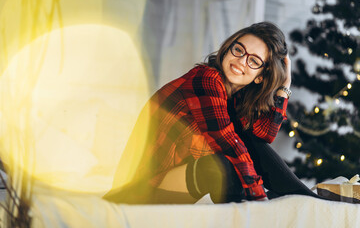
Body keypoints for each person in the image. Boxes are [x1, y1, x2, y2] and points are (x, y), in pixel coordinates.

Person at [103, 21, 322, 204]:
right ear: (228, 49)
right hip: (139, 188)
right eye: (239, 50)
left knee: (250, 144)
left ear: (261, 76)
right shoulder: (206, 79)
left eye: (253, 60)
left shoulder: (234, 98)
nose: (241, 61)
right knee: (223, 168)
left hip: (168, 178)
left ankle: (307, 201)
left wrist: (284, 87)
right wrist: (258, 198)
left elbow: (264, 135)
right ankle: (294, 205)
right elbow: (228, 143)